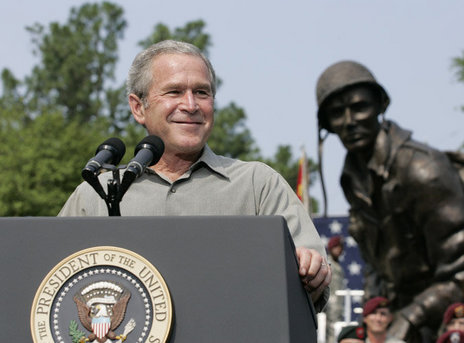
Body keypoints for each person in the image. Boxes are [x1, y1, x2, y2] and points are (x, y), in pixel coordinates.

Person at [59, 40, 330, 311]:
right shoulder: (97, 193)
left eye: (202, 92)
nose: (190, 105)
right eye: (174, 92)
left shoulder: (258, 185)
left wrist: (312, 270)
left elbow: (316, 278)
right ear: (138, 107)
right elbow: (52, 286)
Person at [315, 60, 464, 342]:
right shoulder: (353, 179)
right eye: (337, 113)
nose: (349, 121)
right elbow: (375, 268)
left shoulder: (422, 169)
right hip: (405, 314)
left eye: (360, 107)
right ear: (327, 125)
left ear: (381, 105)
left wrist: (409, 318)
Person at [325, 235, 346, 343]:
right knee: (330, 330)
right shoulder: (328, 263)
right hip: (329, 303)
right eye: (336, 247)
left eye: (340, 247)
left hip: (336, 304)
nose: (339, 250)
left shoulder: (337, 265)